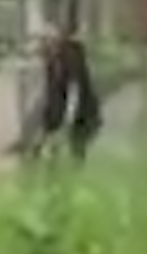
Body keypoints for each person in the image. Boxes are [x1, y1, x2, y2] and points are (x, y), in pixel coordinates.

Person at [16, 25, 103, 164]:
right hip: (62, 114)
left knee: (74, 152)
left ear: (53, 43)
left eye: (44, 45)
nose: (43, 52)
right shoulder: (52, 62)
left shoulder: (71, 58)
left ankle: (70, 173)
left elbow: (74, 94)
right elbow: (50, 96)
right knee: (45, 150)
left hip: (82, 115)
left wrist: (65, 125)